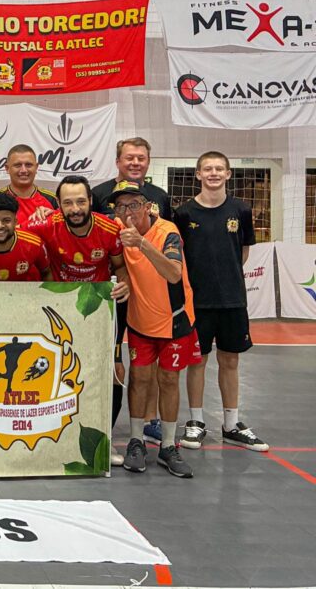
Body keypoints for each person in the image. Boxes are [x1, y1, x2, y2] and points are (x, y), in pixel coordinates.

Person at [26, 175, 130, 464]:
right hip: (60, 307)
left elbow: (120, 267)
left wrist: (125, 283)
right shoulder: (46, 224)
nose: (75, 209)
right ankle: (53, 438)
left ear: (91, 201)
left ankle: (105, 439)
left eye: (81, 201)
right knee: (58, 372)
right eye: (68, 203)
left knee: (112, 372)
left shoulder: (110, 229)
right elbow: (7, 232)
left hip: (99, 307)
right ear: (58, 205)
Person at [173, 152, 267, 452]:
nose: (213, 173)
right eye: (207, 169)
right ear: (198, 174)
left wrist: (226, 277)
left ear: (228, 174)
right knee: (197, 361)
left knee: (230, 360)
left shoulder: (241, 209)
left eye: (219, 169)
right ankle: (196, 421)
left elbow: (243, 252)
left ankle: (231, 424)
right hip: (197, 302)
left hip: (232, 299)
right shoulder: (183, 213)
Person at [112, 181, 200, 478]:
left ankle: (168, 445)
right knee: (139, 379)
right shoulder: (117, 229)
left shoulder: (167, 231)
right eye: (121, 206)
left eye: (134, 205)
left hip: (174, 320)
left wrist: (141, 243)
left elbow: (174, 273)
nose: (127, 212)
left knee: (169, 380)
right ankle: (136, 441)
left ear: (148, 207)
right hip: (140, 321)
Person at [91, 137, 171, 446]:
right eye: (129, 158)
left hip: (148, 290)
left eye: (141, 158)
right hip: (111, 289)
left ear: (148, 162)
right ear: (118, 161)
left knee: (148, 360)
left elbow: (166, 241)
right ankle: (101, 423)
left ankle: (150, 421)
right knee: (111, 359)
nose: (135, 163)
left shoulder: (160, 196)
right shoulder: (99, 194)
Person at [0, 145, 57, 227]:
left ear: (36, 167)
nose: (23, 170)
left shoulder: (53, 201)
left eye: (28, 165)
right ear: (7, 168)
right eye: (18, 165)